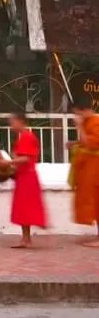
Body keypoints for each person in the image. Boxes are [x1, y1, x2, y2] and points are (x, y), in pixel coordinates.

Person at [5, 111, 48, 248]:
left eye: (13, 122)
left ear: (20, 121)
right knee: (22, 208)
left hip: (28, 177)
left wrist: (9, 162)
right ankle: (25, 239)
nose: (11, 125)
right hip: (22, 177)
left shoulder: (27, 137)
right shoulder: (22, 137)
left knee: (27, 207)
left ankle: (27, 239)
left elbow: (26, 158)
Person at [70, 94, 99, 247]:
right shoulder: (89, 121)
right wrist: (74, 143)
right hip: (90, 169)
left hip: (96, 169)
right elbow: (84, 141)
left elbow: (92, 145)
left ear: (83, 110)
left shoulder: (96, 122)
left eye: (77, 112)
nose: (76, 116)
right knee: (93, 202)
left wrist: (79, 126)